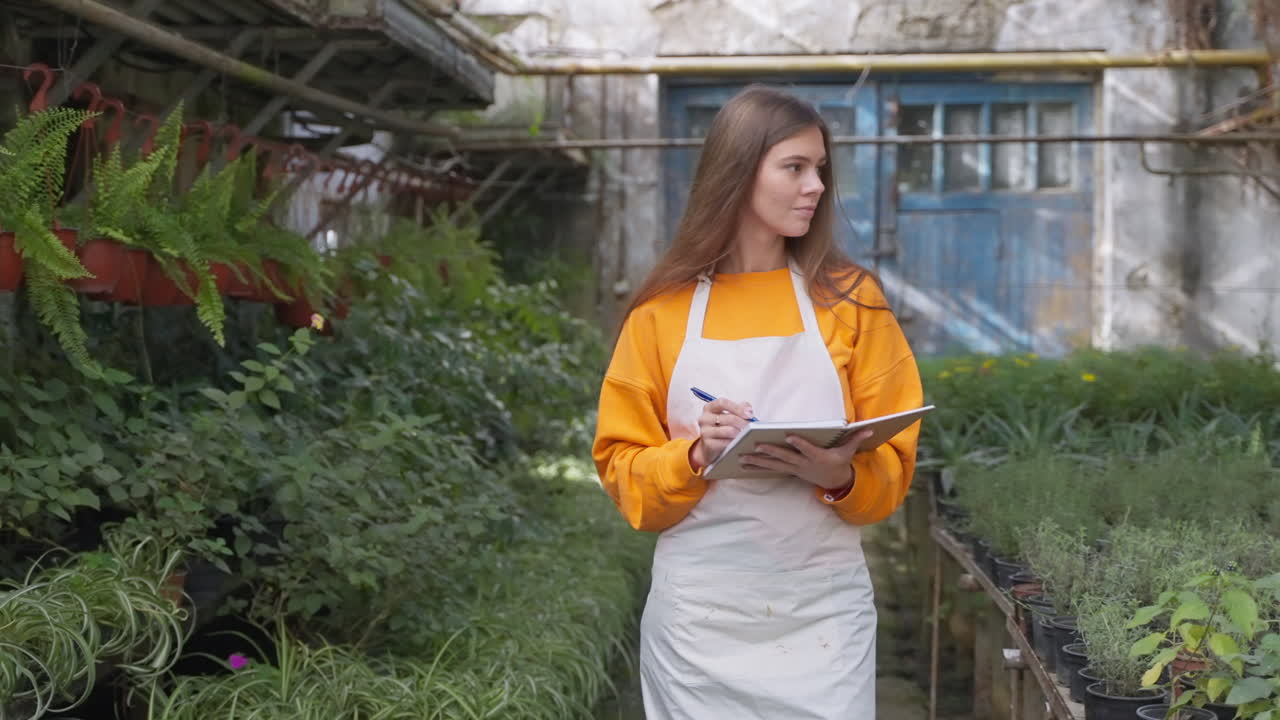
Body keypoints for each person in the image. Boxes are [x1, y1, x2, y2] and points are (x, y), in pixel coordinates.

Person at [591, 84, 924, 718]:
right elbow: (625, 476)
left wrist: (841, 473)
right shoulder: (660, 315)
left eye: (820, 169)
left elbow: (894, 468)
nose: (817, 187)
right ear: (739, 173)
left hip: (822, 612)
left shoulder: (853, 300)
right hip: (700, 620)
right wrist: (695, 455)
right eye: (795, 167)